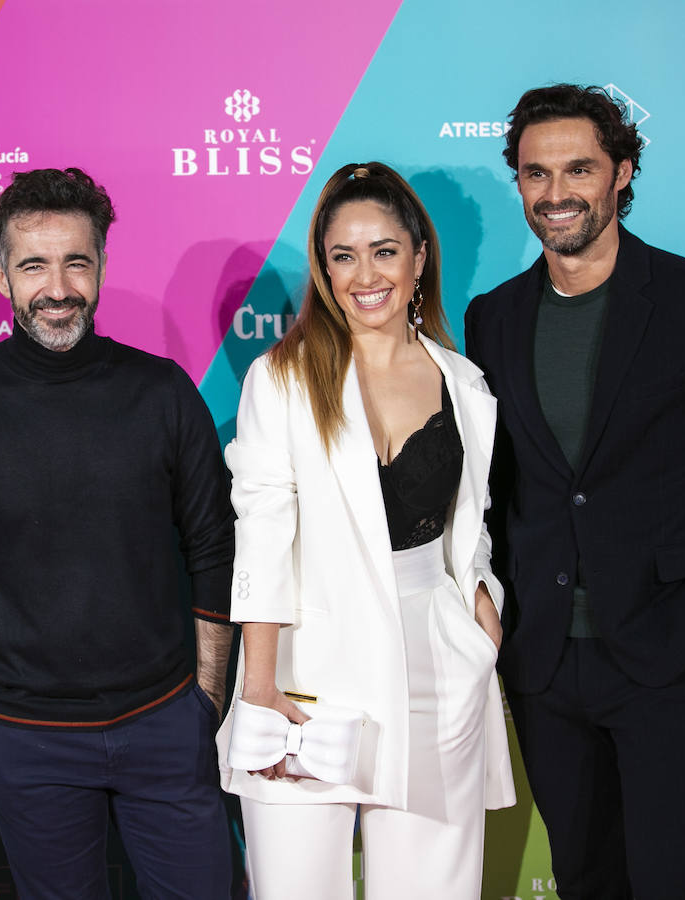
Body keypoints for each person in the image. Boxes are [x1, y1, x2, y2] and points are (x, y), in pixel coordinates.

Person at [465, 84, 685, 899]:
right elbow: (488, 491)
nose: (556, 194)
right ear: (516, 182)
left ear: (622, 171)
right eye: (535, 173)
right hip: (544, 662)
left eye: (579, 168)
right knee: (584, 876)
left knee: (669, 877)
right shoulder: (493, 319)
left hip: (666, 648)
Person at [0, 167, 235, 899]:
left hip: (164, 724)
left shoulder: (163, 392)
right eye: (34, 265)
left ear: (102, 265)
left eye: (76, 261)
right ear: (1, 273)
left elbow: (213, 547)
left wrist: (205, 698)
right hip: (24, 737)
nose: (58, 286)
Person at [219, 161, 516, 899]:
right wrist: (259, 683)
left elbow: (467, 517)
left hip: (435, 660)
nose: (365, 274)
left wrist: (479, 597)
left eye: (384, 250)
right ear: (323, 269)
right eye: (343, 255)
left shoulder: (464, 382)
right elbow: (261, 535)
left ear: (419, 257)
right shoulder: (281, 378)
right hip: (305, 671)